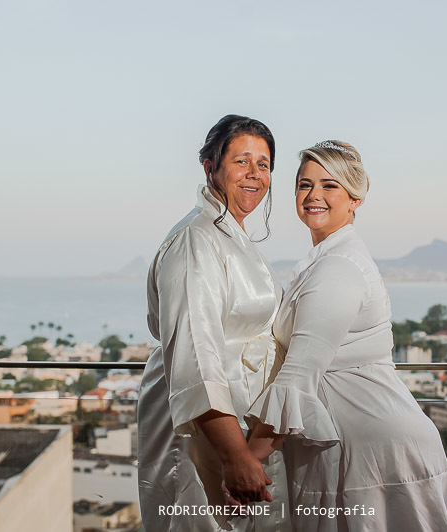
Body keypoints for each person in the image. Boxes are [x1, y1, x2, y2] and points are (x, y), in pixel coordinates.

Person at [245, 141, 447, 531]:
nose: (313, 195)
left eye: (329, 185)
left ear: (355, 198)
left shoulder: (338, 267)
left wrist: (245, 461)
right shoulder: (329, 258)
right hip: (359, 436)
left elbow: (298, 378)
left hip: (369, 446)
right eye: (304, 185)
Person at [137, 115, 289, 531]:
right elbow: (195, 355)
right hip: (203, 427)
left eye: (264, 164)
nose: (255, 174)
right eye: (242, 161)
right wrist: (234, 456)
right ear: (209, 166)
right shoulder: (196, 240)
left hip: (238, 414)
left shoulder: (231, 236)